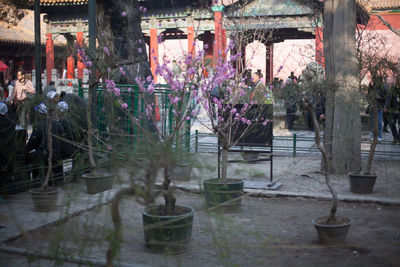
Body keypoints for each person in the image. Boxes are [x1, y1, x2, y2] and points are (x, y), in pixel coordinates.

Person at [368, 76, 390, 141]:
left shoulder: (384, 87)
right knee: (372, 121)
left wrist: (379, 99)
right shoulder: (372, 86)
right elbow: (368, 95)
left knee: (379, 122)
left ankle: (379, 136)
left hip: (380, 107)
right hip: (372, 107)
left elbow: (387, 98)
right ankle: (372, 134)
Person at [386, 75, 400, 144]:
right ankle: (396, 137)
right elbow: (388, 98)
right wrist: (386, 107)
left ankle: (397, 138)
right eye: (397, 80)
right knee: (391, 124)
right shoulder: (393, 88)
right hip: (393, 110)